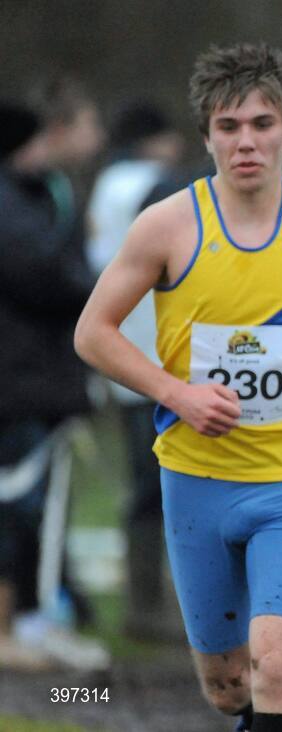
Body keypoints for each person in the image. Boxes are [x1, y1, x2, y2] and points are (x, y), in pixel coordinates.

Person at [75, 43, 282, 732]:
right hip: (197, 477)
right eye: (229, 127)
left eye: (262, 124)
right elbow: (94, 332)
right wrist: (177, 393)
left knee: (277, 663)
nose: (246, 141)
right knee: (228, 687)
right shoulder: (166, 225)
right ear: (206, 136)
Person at [0, 82, 106, 671]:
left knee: (33, 506)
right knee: (18, 504)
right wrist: (90, 278)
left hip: (32, 379)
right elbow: (45, 273)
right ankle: (19, 628)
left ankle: (36, 619)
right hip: (22, 382)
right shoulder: (15, 203)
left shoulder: (32, 197)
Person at [85, 100, 186, 641]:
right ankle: (162, 606)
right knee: (174, 486)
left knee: (141, 487)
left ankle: (142, 603)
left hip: (122, 354)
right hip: (168, 356)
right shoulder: (161, 184)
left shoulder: (106, 184)